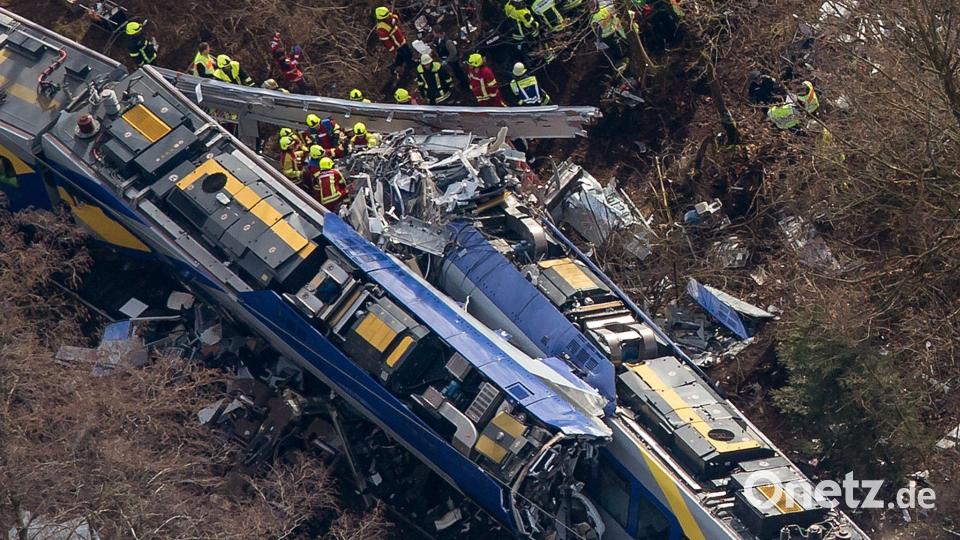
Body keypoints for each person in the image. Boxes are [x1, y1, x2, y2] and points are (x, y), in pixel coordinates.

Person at [374, 6, 414, 71]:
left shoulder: (389, 17)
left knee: (405, 54)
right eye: (386, 16)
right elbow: (387, 42)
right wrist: (393, 50)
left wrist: (394, 19)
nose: (388, 17)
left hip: (401, 39)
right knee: (406, 55)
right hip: (397, 45)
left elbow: (395, 16)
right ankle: (409, 67)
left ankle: (395, 66)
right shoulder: (381, 29)